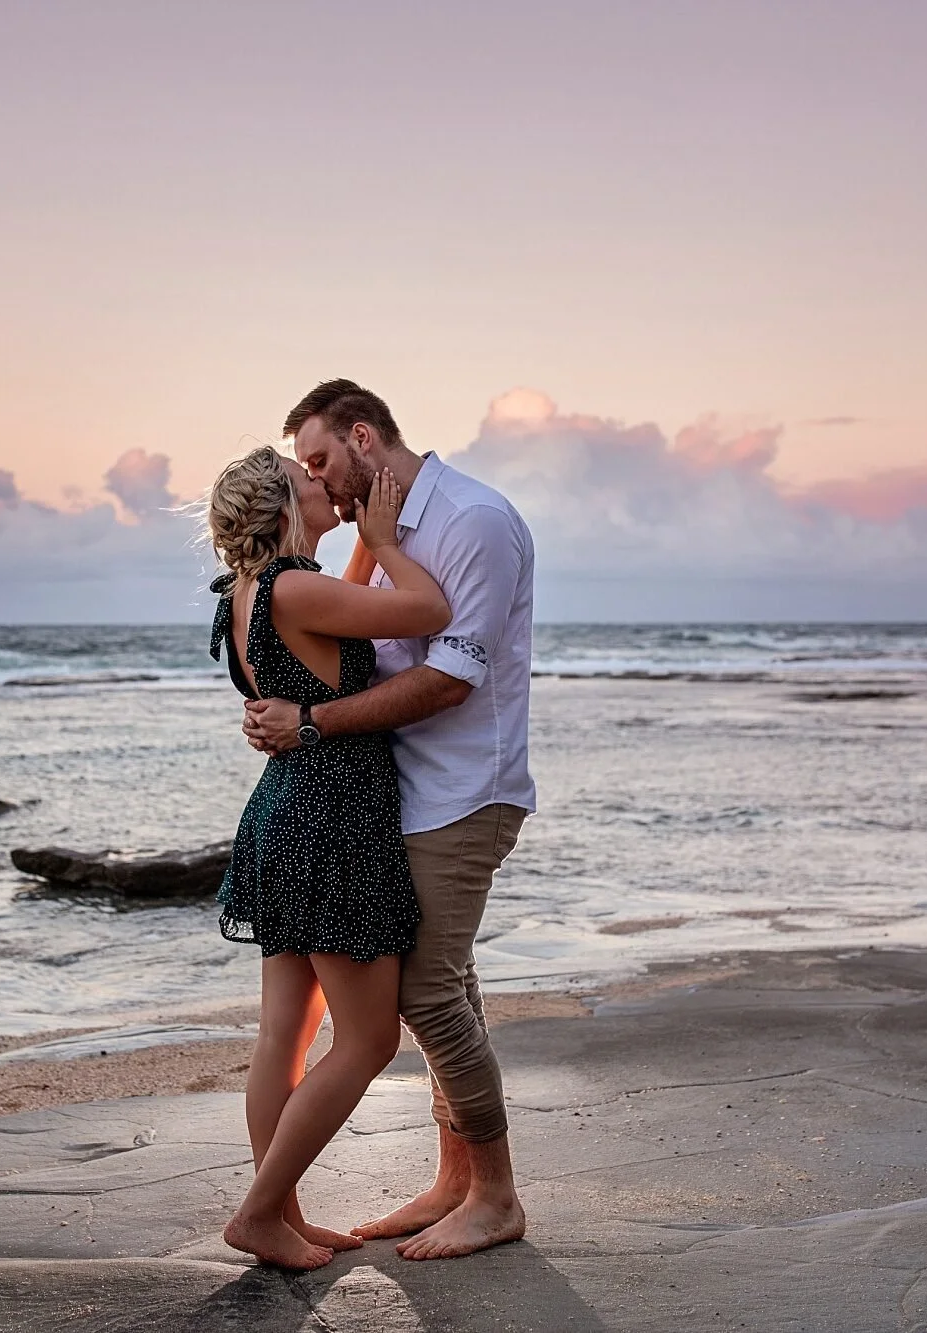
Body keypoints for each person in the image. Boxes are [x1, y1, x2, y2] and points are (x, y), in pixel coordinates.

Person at [244, 379, 538, 1261]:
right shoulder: (378, 541)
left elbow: (451, 675)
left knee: (426, 993)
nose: (318, 481)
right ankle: (454, 1178)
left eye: (321, 459)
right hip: (393, 798)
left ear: (364, 438)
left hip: (463, 791)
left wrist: (309, 722)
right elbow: (342, 651)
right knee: (451, 985)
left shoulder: (473, 522)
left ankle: (494, 1194)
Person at [203, 444, 453, 1271]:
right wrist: (384, 542)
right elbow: (427, 611)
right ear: (282, 506)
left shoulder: (246, 594)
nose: (326, 482)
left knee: (286, 1031)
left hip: (283, 812)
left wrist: (355, 543)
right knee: (368, 1039)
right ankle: (261, 1209)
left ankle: (282, 1213)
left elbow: (330, 610)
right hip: (334, 818)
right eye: (309, 479)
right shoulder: (297, 590)